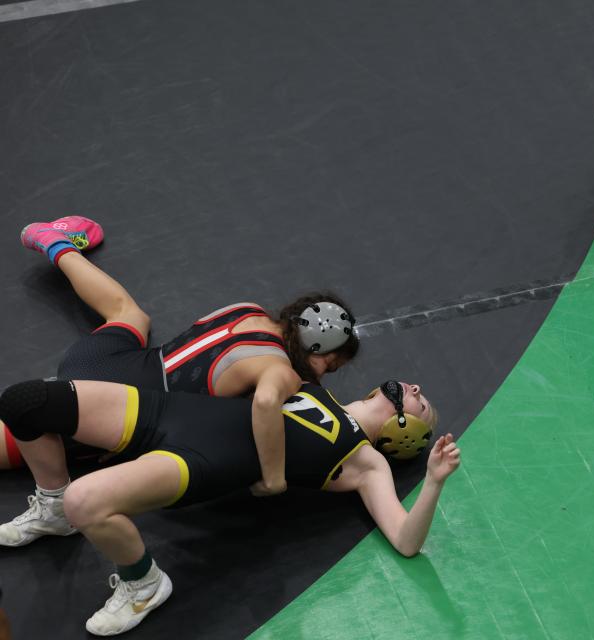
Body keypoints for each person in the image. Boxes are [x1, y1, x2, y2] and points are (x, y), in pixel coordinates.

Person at [0, 377, 456, 636]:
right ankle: (53, 507)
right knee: (26, 403)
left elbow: (405, 539)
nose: (416, 386)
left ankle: (144, 584)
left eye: (422, 398)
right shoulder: (318, 388)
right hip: (180, 412)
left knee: (90, 501)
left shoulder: (366, 461)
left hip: (207, 460)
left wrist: (432, 481)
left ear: (404, 430)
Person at [3, 216, 360, 499]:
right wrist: (274, 477)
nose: (322, 377)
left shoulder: (247, 310)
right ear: (314, 349)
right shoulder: (278, 369)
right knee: (30, 432)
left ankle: (59, 245)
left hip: (106, 358)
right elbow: (266, 402)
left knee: (129, 314)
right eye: (328, 365)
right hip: (118, 408)